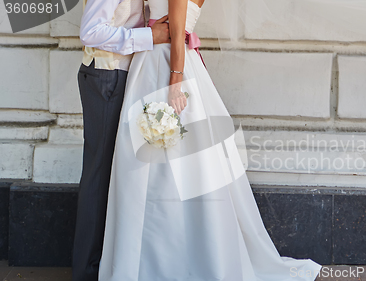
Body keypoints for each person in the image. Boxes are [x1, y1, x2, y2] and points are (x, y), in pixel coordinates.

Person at [98, 0, 323, 280]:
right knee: (151, 164)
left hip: (167, 66)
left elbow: (178, 32)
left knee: (173, 165)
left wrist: (175, 83)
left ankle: (172, 261)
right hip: (151, 62)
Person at [72, 0, 171, 280]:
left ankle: (101, 265)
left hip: (122, 75)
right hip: (107, 76)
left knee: (110, 175)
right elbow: (90, 31)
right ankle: (85, 273)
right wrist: (150, 37)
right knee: (98, 176)